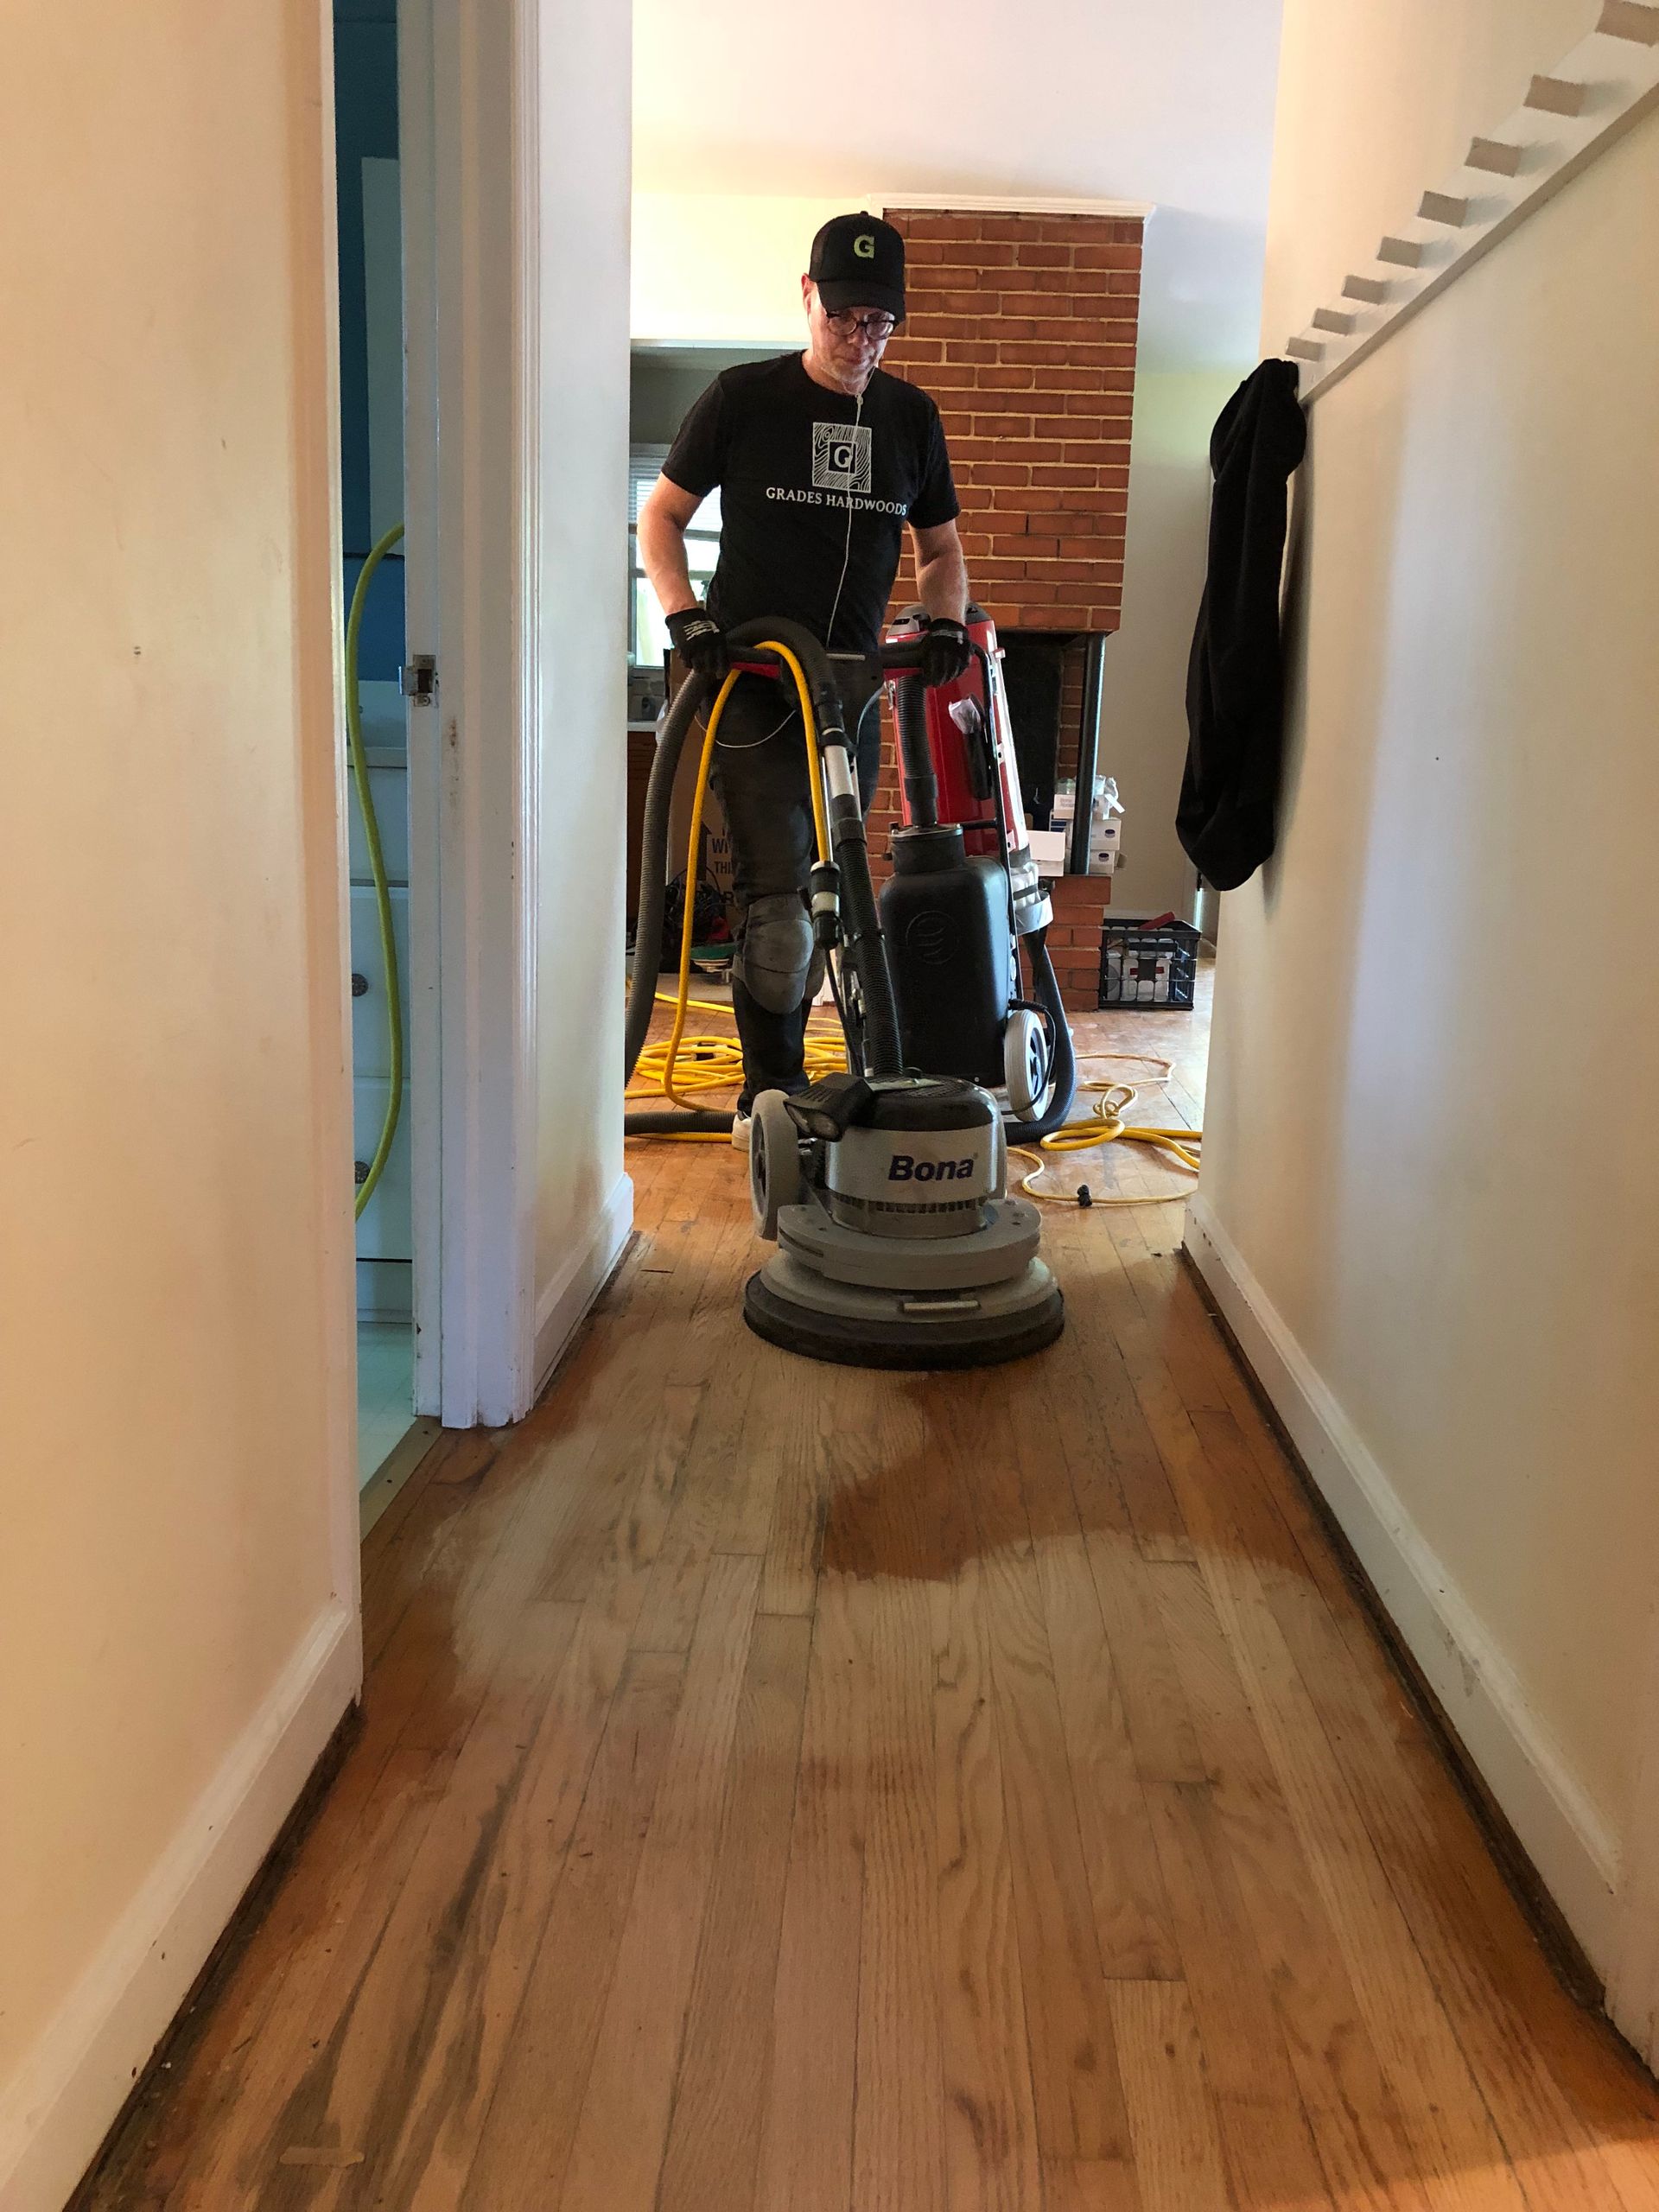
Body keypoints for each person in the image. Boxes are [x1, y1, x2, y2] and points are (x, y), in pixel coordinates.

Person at [637, 211, 974, 1136]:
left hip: (850, 694)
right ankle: (771, 1100)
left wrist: (943, 618)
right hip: (747, 684)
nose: (861, 341)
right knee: (780, 905)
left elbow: (941, 550)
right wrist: (684, 612)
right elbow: (659, 517)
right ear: (807, 298)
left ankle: (859, 1084)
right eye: (845, 318)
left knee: (845, 889)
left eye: (881, 324)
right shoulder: (743, 399)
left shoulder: (910, 418)